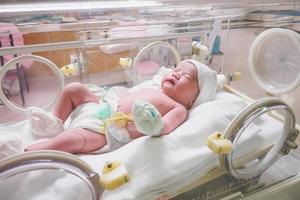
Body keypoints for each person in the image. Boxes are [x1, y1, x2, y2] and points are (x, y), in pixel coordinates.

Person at [25, 59, 218, 154]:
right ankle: (55, 122)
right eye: (176, 69)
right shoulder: (155, 89)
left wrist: (153, 124)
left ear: (194, 99)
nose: (176, 74)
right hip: (101, 106)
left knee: (71, 140)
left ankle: (49, 146)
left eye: (186, 77)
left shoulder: (179, 108)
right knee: (74, 89)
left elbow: (165, 126)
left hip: (107, 130)